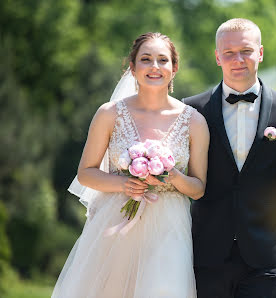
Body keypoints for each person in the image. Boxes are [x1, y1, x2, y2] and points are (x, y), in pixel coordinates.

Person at [52, 32, 209, 298]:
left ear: (174, 68)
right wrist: (126, 183)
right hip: (117, 222)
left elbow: (198, 188)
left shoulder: (194, 122)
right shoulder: (109, 113)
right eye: (146, 59)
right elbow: (86, 173)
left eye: (162, 60)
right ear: (133, 67)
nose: (155, 67)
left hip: (169, 227)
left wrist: (171, 176)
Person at [183, 18, 276, 297]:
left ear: (261, 53)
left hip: (266, 252)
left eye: (246, 50)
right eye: (229, 53)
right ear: (217, 57)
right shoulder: (191, 110)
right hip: (206, 251)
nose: (238, 59)